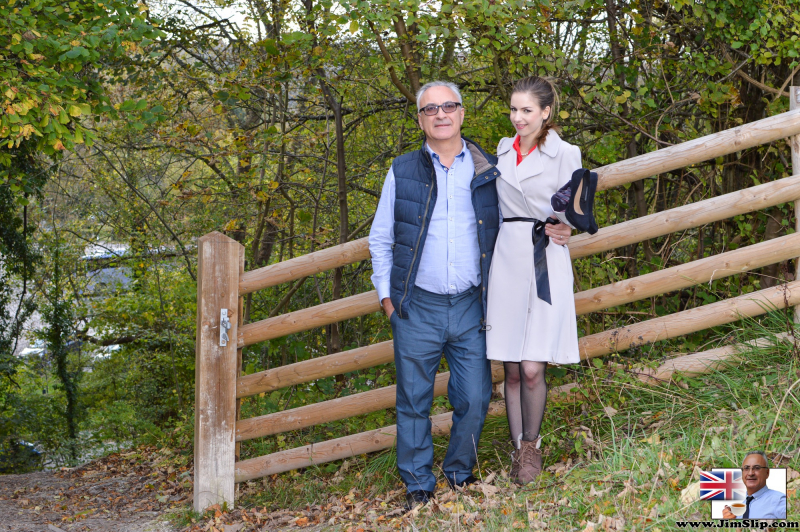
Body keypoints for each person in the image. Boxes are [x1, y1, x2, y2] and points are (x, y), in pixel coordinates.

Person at [369, 80, 575, 509]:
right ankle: (418, 484)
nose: (440, 114)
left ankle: (459, 472)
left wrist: (563, 224)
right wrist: (387, 297)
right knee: (413, 399)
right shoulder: (402, 168)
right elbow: (381, 237)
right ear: (420, 119)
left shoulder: (485, 165)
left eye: (449, 106)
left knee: (477, 395)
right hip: (417, 302)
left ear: (462, 113)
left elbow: (533, 204)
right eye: (430, 109)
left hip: (470, 302)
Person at [485, 76, 581, 484]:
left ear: (546, 112)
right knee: (508, 366)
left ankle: (532, 447)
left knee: (530, 367)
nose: (518, 117)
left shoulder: (566, 152)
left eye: (527, 110)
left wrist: (570, 227)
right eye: (513, 109)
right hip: (507, 255)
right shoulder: (502, 150)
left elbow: (577, 207)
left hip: (545, 255)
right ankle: (516, 452)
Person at [722, 451, 787, 519]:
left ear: (767, 473)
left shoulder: (779, 500)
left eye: (757, 468)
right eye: (746, 468)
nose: (750, 473)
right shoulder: (740, 509)